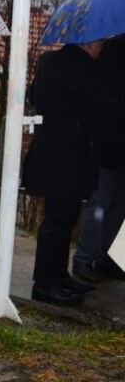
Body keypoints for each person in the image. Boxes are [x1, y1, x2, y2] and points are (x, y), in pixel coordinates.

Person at [22, 40, 124, 304]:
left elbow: (34, 96)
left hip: (48, 152)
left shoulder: (48, 62)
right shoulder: (85, 68)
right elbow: (106, 108)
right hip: (70, 156)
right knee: (58, 222)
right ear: (90, 44)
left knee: (60, 218)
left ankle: (57, 276)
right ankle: (45, 284)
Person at [72, 35, 125, 284]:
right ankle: (85, 259)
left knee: (117, 208)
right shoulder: (115, 50)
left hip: (114, 143)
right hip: (110, 143)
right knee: (101, 204)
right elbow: (105, 96)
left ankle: (108, 259)